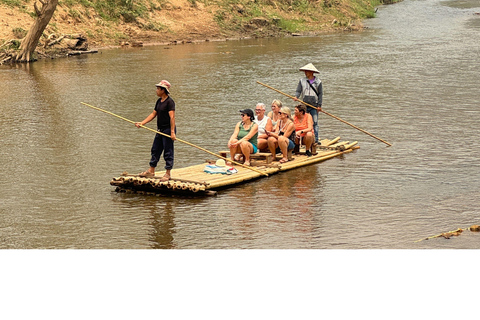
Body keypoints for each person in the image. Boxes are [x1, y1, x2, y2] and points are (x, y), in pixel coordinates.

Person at [135, 80, 176, 181]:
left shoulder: (170, 102)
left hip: (167, 130)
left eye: (158, 89)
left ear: (163, 90)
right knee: (155, 149)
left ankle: (167, 173)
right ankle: (151, 170)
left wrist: (172, 132)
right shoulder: (159, 101)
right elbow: (153, 114)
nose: (156, 90)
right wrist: (142, 123)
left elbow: (172, 117)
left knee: (168, 151)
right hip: (160, 130)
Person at [294, 63, 323, 144]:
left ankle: (316, 139)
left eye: (307, 71)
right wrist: (296, 96)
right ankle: (303, 139)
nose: (306, 73)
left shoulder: (318, 82)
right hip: (304, 105)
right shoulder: (302, 81)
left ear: (311, 72)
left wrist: (319, 105)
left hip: (314, 105)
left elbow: (320, 94)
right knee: (304, 122)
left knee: (315, 122)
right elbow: (298, 91)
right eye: (305, 71)